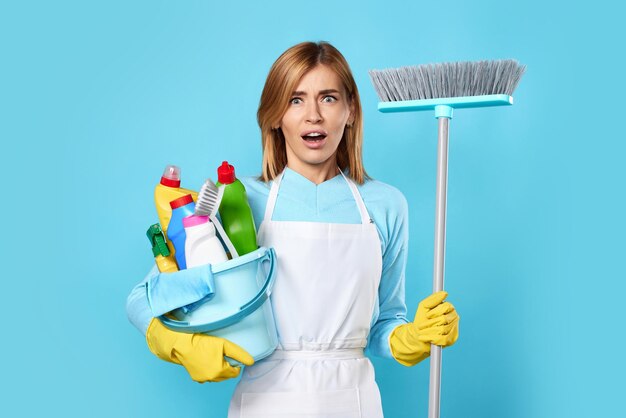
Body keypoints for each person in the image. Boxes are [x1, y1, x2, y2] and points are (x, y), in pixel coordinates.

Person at [127, 41, 459, 418]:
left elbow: (386, 321)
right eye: (295, 100)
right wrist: (179, 345)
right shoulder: (236, 201)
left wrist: (407, 338)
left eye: (329, 98)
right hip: (266, 402)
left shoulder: (385, 205)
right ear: (274, 116)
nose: (313, 115)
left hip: (354, 401)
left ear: (351, 111)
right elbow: (143, 299)